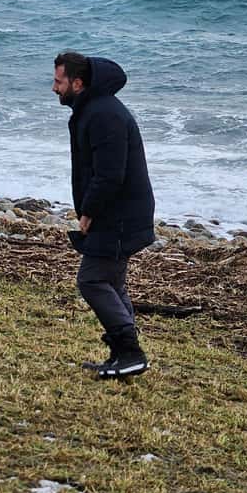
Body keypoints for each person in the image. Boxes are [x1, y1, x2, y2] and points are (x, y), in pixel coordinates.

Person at [52, 51, 155, 379]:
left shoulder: (102, 114)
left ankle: (131, 353)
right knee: (111, 281)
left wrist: (88, 213)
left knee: (92, 280)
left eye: (58, 81)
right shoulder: (92, 110)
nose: (54, 88)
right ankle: (124, 356)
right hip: (121, 210)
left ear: (78, 83)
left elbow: (110, 175)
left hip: (120, 213)